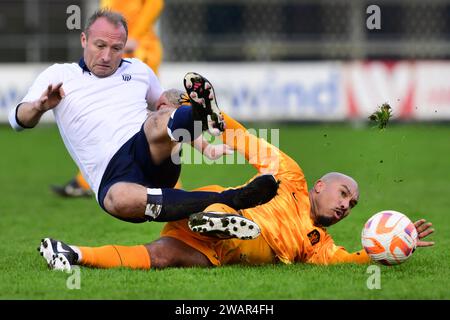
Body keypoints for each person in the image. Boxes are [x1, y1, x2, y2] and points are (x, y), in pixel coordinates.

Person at [37, 74, 434, 271]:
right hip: (229, 214)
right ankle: (220, 217)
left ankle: (73, 254)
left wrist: (386, 252)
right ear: (319, 186)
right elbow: (245, 141)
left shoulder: (318, 245)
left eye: (353, 204)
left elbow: (347, 259)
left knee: (159, 257)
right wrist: (214, 117)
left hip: (216, 251)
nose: (347, 204)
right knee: (246, 226)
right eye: (344, 193)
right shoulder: (290, 177)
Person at [9, 10, 279, 225]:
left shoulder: (138, 69)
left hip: (149, 150)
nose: (106, 56)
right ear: (83, 40)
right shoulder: (59, 75)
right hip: (111, 175)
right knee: (119, 200)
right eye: (99, 45)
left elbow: (166, 116)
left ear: (125, 46)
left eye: (116, 48)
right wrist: (40, 107)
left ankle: (199, 112)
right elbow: (18, 120)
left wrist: (204, 147)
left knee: (160, 113)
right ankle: (233, 199)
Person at [52, 0, 166, 197]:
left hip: (139, 50)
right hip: (122, 48)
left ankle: (166, 181)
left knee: (150, 119)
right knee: (110, 117)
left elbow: (154, 5)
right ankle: (87, 179)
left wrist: (135, 37)